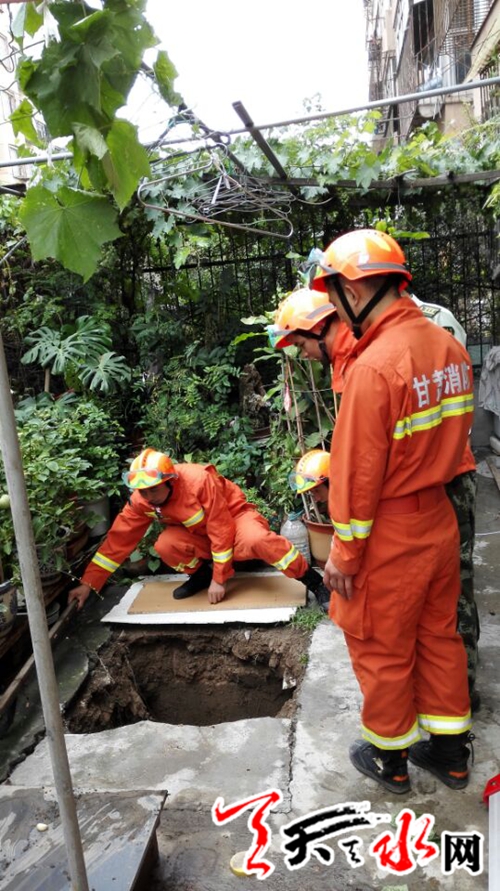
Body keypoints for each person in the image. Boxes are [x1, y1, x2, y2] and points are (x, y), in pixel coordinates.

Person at [309, 228, 474, 794]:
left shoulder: (374, 368)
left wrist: (344, 556)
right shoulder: (450, 350)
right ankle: (451, 755)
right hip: (439, 521)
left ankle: (390, 760)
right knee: (439, 636)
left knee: (380, 647)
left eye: (335, 299)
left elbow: (356, 477)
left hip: (390, 531)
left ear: (354, 292)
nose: (336, 311)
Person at [273, 284, 480, 709]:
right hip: (440, 494)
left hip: (403, 510)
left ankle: (398, 741)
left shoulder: (373, 365)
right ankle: (450, 730)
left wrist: (345, 553)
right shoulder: (439, 344)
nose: (302, 355)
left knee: (383, 638)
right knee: (439, 627)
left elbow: (362, 469)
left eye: (300, 344)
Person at [68, 448, 331, 610]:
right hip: (203, 534)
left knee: (258, 540)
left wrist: (220, 579)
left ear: (170, 481)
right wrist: (88, 584)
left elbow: (221, 527)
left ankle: (314, 582)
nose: (148, 497)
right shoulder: (142, 500)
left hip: (235, 518)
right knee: (165, 545)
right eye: (142, 491)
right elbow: (117, 542)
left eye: (153, 490)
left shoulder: (198, 481)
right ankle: (201, 575)